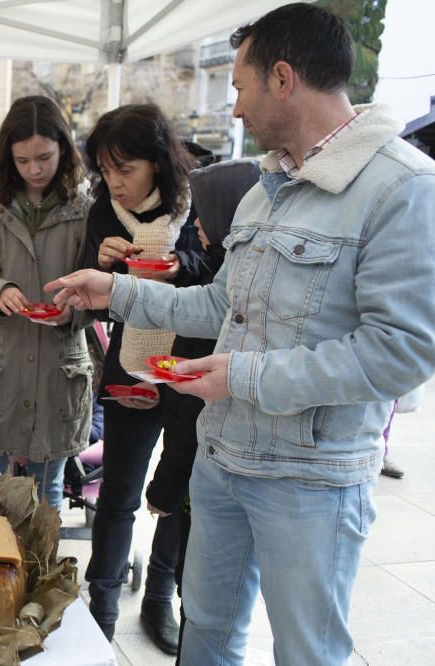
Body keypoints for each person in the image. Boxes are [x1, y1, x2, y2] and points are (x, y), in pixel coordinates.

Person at [47, 5, 435, 663]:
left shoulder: (403, 189)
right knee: (208, 634)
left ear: (282, 79)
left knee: (306, 651)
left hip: (310, 479)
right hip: (222, 459)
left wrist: (242, 376)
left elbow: (402, 352)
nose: (234, 110)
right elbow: (219, 306)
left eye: (239, 88)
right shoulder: (265, 189)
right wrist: (118, 291)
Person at [77, 103, 198, 652]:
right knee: (119, 493)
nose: (115, 182)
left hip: (191, 371)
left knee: (176, 493)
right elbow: (93, 304)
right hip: (130, 369)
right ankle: (101, 606)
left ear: (158, 163)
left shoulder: (197, 204)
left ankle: (159, 599)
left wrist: (180, 268)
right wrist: (103, 268)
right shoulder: (103, 212)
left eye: (125, 169)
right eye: (105, 170)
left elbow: (218, 275)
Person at [0, 95, 92, 509]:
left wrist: (74, 309)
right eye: (23, 160)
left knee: (47, 495)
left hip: (58, 374)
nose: (35, 169)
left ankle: (41, 574)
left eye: (44, 157)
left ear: (63, 150)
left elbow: (104, 293)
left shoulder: (84, 210)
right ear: (7, 157)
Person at [143, 158, 262, 662]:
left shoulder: (233, 292)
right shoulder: (230, 276)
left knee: (207, 590)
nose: (195, 224)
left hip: (212, 469)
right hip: (209, 470)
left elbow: (185, 419)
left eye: (204, 213)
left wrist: (164, 487)